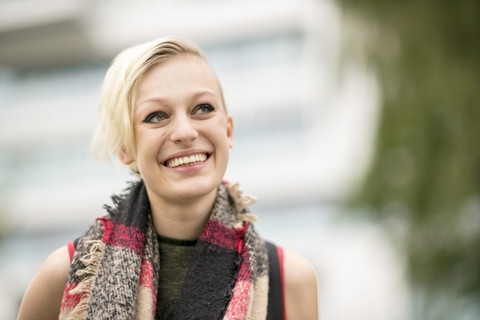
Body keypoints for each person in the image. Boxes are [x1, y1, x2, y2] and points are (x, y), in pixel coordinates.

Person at [17, 36, 318, 320]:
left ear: (228, 130)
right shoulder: (65, 275)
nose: (186, 132)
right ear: (126, 147)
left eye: (203, 108)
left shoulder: (291, 279)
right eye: (157, 116)